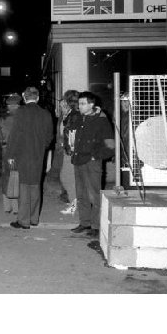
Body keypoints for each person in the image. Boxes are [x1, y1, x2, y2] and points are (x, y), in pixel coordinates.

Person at [4, 87, 54, 229]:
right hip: (38, 155)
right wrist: (41, 147)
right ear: (37, 98)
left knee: (24, 187)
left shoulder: (21, 112)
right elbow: (49, 137)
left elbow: (15, 136)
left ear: (25, 98)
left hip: (22, 154)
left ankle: (23, 221)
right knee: (35, 186)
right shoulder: (45, 114)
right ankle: (34, 218)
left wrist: (10, 155)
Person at [71, 91, 115, 238]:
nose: (80, 106)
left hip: (92, 163)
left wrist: (95, 156)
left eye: (83, 104)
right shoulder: (80, 118)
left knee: (94, 195)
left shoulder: (101, 120)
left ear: (92, 104)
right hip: (78, 161)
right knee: (81, 194)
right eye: (79, 103)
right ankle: (85, 223)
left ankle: (96, 226)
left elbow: (110, 145)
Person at [59, 90, 82, 214]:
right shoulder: (73, 114)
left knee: (67, 177)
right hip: (70, 150)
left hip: (71, 151)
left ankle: (74, 205)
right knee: (69, 177)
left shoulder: (73, 115)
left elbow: (66, 132)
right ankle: (74, 202)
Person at [0, 93, 21, 214]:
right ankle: (17, 207)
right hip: (19, 150)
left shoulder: (3, 119)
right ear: (17, 105)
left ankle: (7, 206)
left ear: (9, 106)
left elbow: (0, 136)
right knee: (17, 175)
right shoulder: (22, 118)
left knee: (6, 175)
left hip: (6, 150)